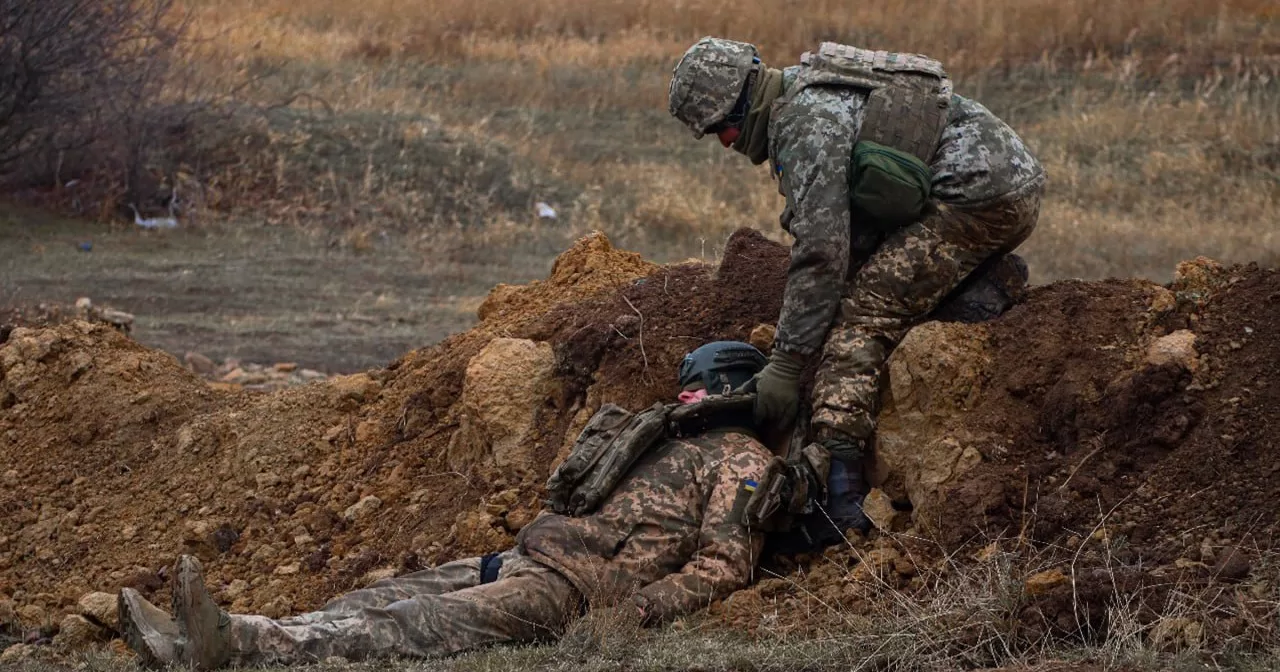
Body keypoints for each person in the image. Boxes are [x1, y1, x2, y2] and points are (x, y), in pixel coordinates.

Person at [117, 341, 776, 669]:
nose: (685, 401)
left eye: (697, 391)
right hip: (530, 560)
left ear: (728, 391)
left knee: (409, 621)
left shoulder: (743, 459)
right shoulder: (669, 444)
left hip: (573, 588)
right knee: (369, 601)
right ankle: (201, 634)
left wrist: (636, 608)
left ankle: (231, 642)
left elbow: (725, 562)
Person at [668, 37, 1045, 532]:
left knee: (861, 320)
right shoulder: (803, 93)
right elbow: (848, 236)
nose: (725, 142)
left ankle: (839, 497)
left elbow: (822, 253)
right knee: (875, 281)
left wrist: (785, 365)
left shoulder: (804, 126)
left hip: (977, 197)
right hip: (999, 181)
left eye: (722, 126)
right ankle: (982, 287)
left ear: (743, 100)